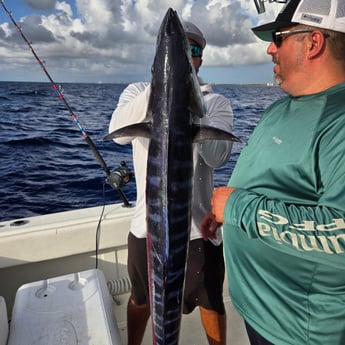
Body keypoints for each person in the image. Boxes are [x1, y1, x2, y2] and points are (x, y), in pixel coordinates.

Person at [201, 0, 345, 344]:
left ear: (314, 42)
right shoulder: (280, 108)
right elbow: (274, 181)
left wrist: (236, 209)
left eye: (278, 37)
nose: (268, 48)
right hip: (259, 312)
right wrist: (224, 214)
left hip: (299, 331)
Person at [109, 20, 234, 345]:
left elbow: (218, 155)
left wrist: (189, 105)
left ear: (200, 59)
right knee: (141, 298)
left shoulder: (216, 102)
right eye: (177, 52)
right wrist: (161, 87)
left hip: (198, 232)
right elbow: (119, 133)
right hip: (144, 230)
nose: (185, 56)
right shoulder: (137, 93)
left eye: (192, 50)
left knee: (210, 301)